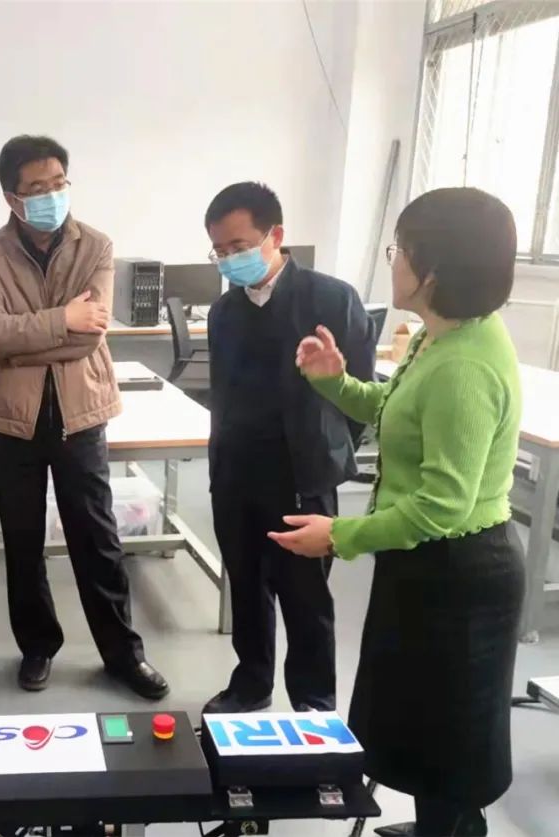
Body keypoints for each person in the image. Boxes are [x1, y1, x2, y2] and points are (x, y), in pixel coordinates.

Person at [274, 187, 524, 837]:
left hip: (460, 571)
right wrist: (335, 381)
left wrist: (341, 535)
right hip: (425, 563)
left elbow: (441, 507)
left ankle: (453, 830)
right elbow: (395, 411)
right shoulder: (440, 337)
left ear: (432, 270)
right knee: (421, 718)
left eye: (400, 250)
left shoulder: (464, 367)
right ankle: (437, 825)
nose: (393, 260)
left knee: (451, 731)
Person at [0, 135, 168, 699]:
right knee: (23, 539)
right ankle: (37, 646)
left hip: (81, 412)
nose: (51, 195)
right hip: (13, 417)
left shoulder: (95, 246)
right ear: (12, 198)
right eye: (37, 188)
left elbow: (88, 337)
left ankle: (123, 654)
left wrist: (21, 343)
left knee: (96, 536)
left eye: (58, 183)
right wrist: (60, 321)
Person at [202, 182, 376, 716]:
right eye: (219, 251)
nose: (230, 259)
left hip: (302, 475)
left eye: (239, 246)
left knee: (306, 597)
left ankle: (314, 699)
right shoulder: (224, 313)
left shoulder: (332, 299)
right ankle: (250, 683)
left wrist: (326, 450)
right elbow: (222, 396)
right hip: (237, 474)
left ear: (275, 235)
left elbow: (361, 394)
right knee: (246, 585)